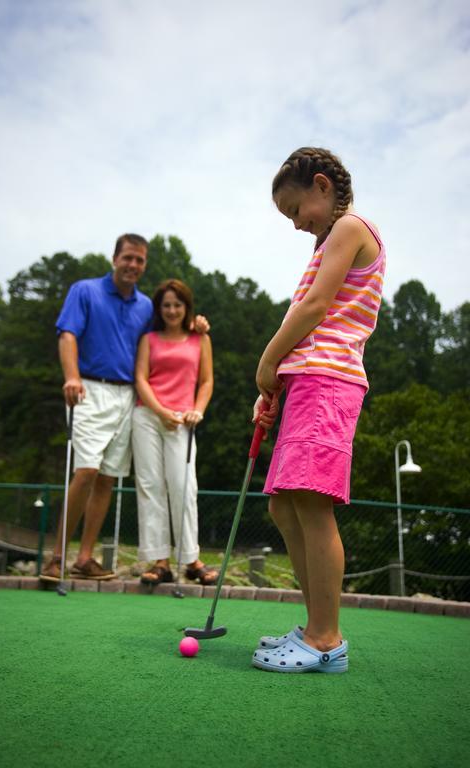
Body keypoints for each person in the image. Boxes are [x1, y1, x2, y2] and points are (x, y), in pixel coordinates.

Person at [251, 147, 386, 673]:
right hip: (308, 381)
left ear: (322, 186)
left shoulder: (351, 228)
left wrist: (266, 362)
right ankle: (314, 628)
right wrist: (276, 385)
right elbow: (308, 322)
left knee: (310, 503)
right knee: (283, 508)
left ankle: (326, 639)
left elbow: (313, 309)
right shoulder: (330, 240)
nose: (295, 225)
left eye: (295, 211)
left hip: (329, 384)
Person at [40, 235, 208, 582]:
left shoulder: (147, 306)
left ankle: (84, 559)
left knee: (108, 478)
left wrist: (196, 325)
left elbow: (169, 333)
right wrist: (71, 376)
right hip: (89, 388)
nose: (133, 265)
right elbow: (67, 334)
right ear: (115, 257)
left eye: (140, 261)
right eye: (128, 258)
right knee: (86, 471)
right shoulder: (85, 290)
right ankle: (56, 557)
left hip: (127, 397)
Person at [132, 279, 218, 586]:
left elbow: (206, 381)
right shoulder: (149, 339)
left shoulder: (200, 338)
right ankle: (160, 562)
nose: (171, 310)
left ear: (186, 307)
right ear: (159, 308)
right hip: (147, 416)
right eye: (166, 305)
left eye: (177, 305)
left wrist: (198, 409)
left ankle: (191, 559)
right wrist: (159, 411)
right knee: (150, 485)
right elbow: (141, 379)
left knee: (184, 486)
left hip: (183, 419)